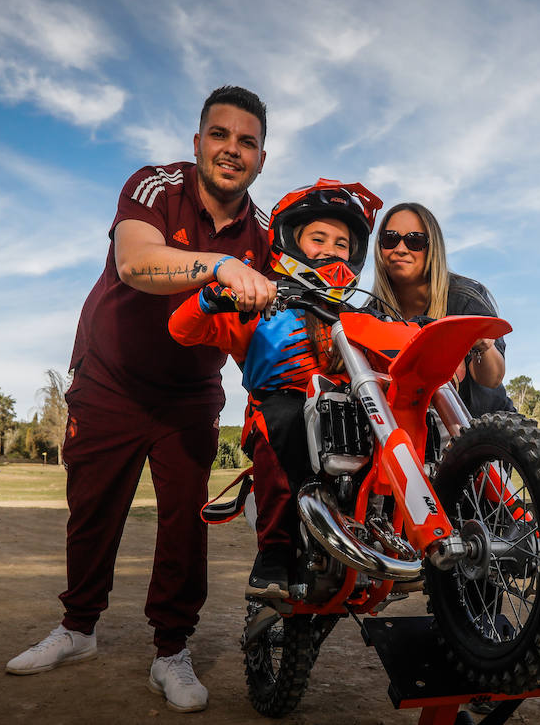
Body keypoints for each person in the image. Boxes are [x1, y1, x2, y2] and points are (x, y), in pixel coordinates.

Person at [5, 85, 278, 714]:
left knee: (185, 523)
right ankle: (77, 630)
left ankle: (171, 653)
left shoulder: (264, 231)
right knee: (93, 508)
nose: (231, 150)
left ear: (262, 158)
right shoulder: (156, 186)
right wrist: (217, 266)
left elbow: (272, 319)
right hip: (111, 377)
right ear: (197, 143)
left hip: (189, 393)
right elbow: (134, 262)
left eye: (247, 142)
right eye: (220, 135)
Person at [167, 179, 382, 599]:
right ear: (290, 241)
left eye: (342, 242)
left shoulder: (362, 313)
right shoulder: (259, 303)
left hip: (353, 415)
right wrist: (212, 297)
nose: (331, 249)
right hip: (281, 413)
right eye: (318, 238)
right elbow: (180, 330)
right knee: (282, 416)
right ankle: (274, 554)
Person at [368, 202, 515, 416]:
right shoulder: (370, 314)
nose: (400, 249)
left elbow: (492, 379)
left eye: (414, 241)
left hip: (486, 433)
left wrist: (482, 345)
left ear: (432, 248)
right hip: (417, 438)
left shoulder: (466, 297)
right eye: (390, 239)